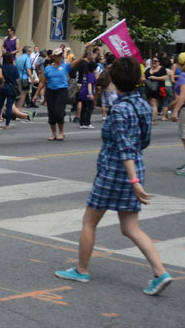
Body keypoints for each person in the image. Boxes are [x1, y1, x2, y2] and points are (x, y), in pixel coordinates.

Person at [56, 57, 172, 295]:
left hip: (115, 172)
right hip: (135, 167)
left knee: (89, 222)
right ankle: (160, 271)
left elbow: (125, 146)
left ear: (115, 82)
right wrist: (135, 177)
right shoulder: (142, 105)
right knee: (130, 227)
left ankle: (82, 269)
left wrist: (133, 181)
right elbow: (143, 141)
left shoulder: (119, 109)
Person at [37, 47, 72, 141]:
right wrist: (36, 94)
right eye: (58, 55)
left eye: (61, 55)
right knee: (51, 112)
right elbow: (42, 82)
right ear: (54, 57)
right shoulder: (48, 68)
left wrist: (85, 51)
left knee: (58, 111)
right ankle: (53, 133)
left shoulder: (65, 66)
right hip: (50, 91)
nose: (60, 57)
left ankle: (61, 132)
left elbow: (78, 62)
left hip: (62, 90)